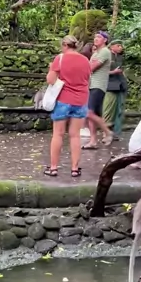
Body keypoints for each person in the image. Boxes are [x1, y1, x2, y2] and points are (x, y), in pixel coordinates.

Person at [44, 35, 91, 178]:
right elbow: (87, 79)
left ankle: (53, 168)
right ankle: (75, 169)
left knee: (58, 134)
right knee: (75, 135)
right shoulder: (86, 60)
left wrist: (51, 69)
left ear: (65, 45)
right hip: (81, 100)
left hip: (63, 99)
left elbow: (51, 80)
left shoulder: (60, 58)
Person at [83, 31, 113, 150]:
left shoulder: (105, 51)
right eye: (95, 36)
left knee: (88, 113)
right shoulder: (96, 52)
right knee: (93, 114)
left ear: (105, 40)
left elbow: (90, 68)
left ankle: (107, 132)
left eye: (99, 37)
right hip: (92, 85)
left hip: (98, 85)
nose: (95, 39)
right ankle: (93, 140)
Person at [103, 41, 127, 139]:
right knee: (108, 110)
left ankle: (115, 133)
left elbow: (122, 70)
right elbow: (101, 72)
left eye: (121, 45)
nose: (121, 47)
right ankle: (106, 133)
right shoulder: (107, 56)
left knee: (119, 111)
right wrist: (113, 72)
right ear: (112, 46)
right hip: (110, 86)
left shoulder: (120, 57)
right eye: (118, 45)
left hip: (120, 85)